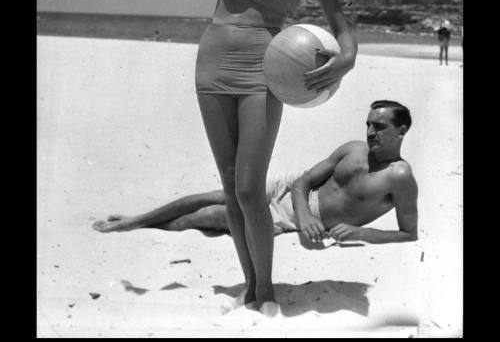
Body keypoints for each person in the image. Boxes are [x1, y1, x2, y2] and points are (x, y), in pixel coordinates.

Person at [80, 0, 357, 317]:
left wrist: (346, 60)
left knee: (250, 189)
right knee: (231, 189)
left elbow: (342, 28)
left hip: (263, 71)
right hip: (212, 61)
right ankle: (250, 285)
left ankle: (267, 290)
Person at [93, 100, 417, 246]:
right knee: (215, 194)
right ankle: (134, 221)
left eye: (380, 126)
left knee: (207, 215)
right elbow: (304, 181)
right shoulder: (353, 148)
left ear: (401, 131)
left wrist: (362, 233)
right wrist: (305, 214)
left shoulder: (399, 177)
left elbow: (408, 234)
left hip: (286, 221)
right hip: (289, 194)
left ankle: (146, 227)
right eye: (369, 124)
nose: (371, 132)